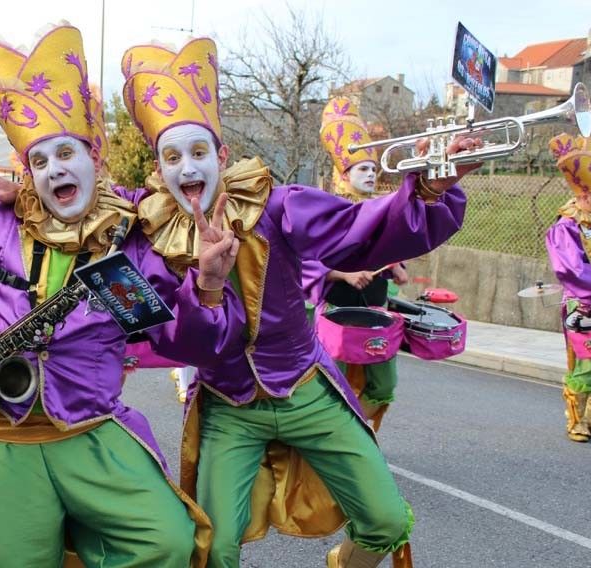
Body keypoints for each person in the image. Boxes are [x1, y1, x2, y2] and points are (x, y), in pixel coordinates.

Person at [117, 37, 474, 568]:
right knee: (214, 547)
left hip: (306, 390)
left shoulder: (279, 207)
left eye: (198, 152)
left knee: (386, 521)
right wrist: (207, 285)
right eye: (173, 157)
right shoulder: (150, 240)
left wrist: (426, 191)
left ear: (222, 156)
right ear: (159, 169)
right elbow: (174, 339)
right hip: (229, 406)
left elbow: (361, 230)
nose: (188, 168)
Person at [0, 23, 243, 568]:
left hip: (90, 430)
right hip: (1, 431)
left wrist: (207, 284)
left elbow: (182, 341)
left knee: (167, 543)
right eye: (39, 162)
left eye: (66, 153)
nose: (55, 169)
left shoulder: (129, 241)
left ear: (94, 156)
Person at [301, 97, 410, 429]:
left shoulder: (378, 210)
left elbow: (388, 253)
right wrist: (344, 275)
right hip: (337, 312)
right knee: (334, 386)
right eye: (363, 168)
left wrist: (397, 267)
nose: (371, 175)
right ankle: (334, 439)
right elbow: (304, 261)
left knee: (384, 385)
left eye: (374, 169)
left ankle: (355, 432)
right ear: (343, 173)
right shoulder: (327, 211)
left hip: (376, 312)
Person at [545, 133, 591, 443]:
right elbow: (570, 268)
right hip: (585, 303)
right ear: (582, 194)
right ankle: (576, 418)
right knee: (586, 362)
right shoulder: (567, 225)